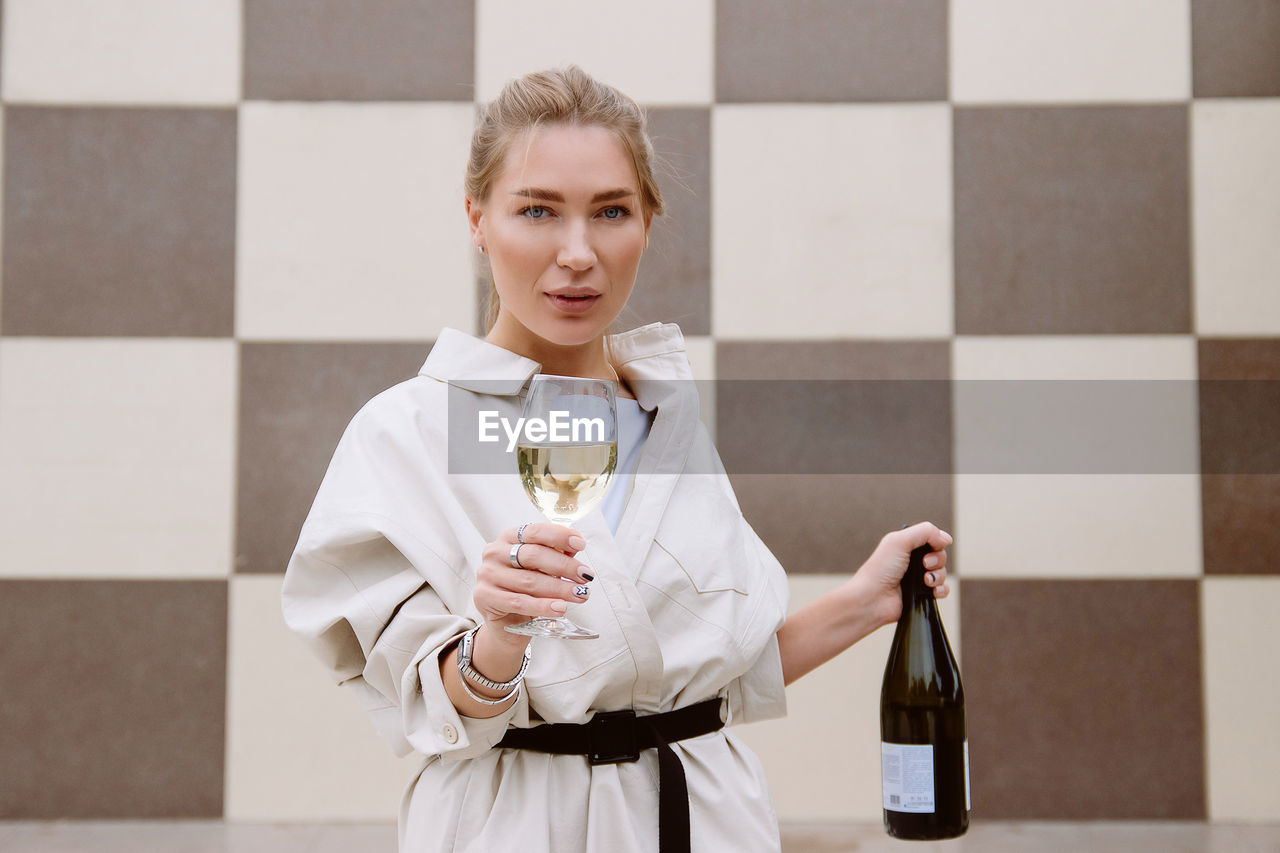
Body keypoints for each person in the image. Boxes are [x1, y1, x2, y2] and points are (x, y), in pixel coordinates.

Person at [281, 65, 951, 853]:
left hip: (709, 819)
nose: (578, 252)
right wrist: (497, 631)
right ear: (477, 217)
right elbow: (438, 710)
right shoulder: (411, 431)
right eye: (537, 210)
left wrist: (865, 602)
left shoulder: (667, 419)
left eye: (611, 211)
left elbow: (705, 679)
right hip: (520, 827)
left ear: (647, 220)